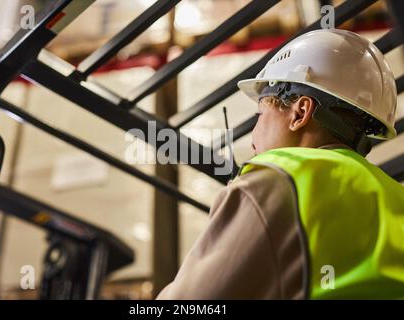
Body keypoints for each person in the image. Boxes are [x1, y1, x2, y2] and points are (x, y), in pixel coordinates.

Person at [156, 29, 404, 299]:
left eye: (260, 115)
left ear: (299, 112)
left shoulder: (278, 179)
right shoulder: (394, 196)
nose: (252, 140)